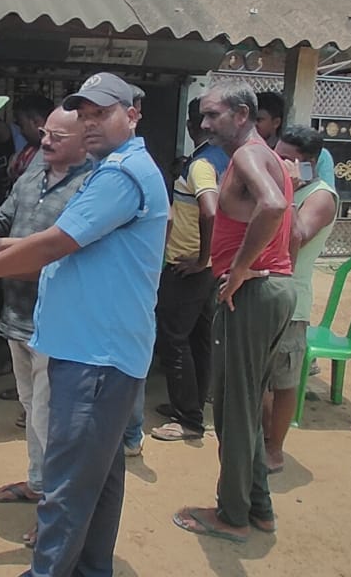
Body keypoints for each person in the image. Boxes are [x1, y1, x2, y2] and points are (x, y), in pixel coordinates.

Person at [0, 72, 169, 577]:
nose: (90, 124)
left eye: (101, 114)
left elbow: (56, 243)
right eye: (83, 115)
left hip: (94, 356)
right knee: (98, 479)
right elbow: (59, 237)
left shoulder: (120, 175)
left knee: (65, 485)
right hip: (96, 349)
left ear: (131, 114)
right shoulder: (112, 169)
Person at [173, 79, 295, 544]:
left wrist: (242, 268)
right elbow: (288, 220)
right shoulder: (267, 156)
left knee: (232, 409)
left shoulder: (246, 155)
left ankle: (233, 514)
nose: (203, 124)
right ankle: (258, 507)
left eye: (212, 115)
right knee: (244, 403)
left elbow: (276, 205)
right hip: (270, 288)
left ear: (241, 115)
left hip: (254, 291)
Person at [0, 107, 92, 545]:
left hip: (57, 324)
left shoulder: (92, 186)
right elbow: (1, 219)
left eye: (59, 135)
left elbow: (57, 253)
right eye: (45, 132)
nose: (46, 140)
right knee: (31, 410)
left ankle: (56, 514)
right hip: (18, 317)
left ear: (86, 139)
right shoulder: (33, 173)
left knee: (52, 421)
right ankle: (39, 485)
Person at [263, 125, 338, 472]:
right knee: (259, 377)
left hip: (292, 299)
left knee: (283, 379)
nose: (277, 163)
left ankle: (274, 450)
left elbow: (294, 241)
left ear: (307, 164)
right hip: (265, 292)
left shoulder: (320, 197)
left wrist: (287, 191)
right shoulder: (281, 189)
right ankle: (259, 440)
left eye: (286, 160)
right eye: (276, 155)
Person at [150, 98, 224, 443]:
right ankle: (193, 403)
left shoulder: (202, 165)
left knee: (174, 340)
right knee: (198, 338)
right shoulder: (226, 159)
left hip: (188, 267)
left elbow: (209, 211)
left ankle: (188, 418)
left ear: (193, 127)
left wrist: (201, 258)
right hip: (207, 268)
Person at [254, 90, 335, 188]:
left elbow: (322, 194)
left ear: (276, 122)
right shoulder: (250, 152)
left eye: (259, 120)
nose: (254, 125)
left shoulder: (320, 156)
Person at [7, 94, 53, 183]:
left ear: (36, 122)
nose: (21, 132)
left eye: (22, 125)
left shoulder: (52, 156)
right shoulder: (28, 151)